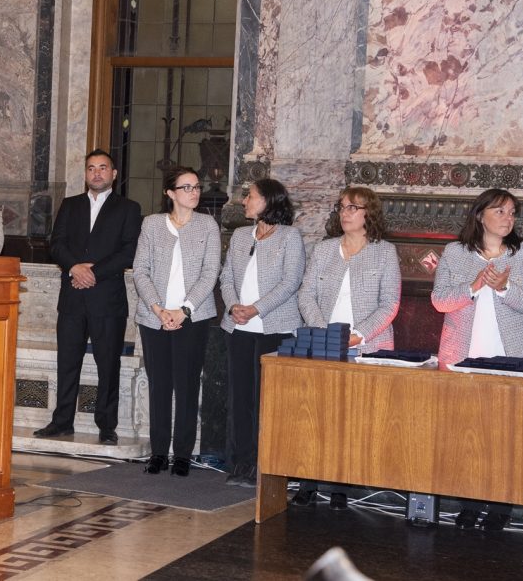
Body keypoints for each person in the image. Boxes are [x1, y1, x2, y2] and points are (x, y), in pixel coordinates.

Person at [431, 188, 523, 532]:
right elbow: (439, 301)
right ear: (480, 215)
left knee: (507, 436)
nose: (508, 219)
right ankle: (469, 504)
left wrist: (504, 288)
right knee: (467, 434)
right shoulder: (455, 253)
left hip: (515, 359)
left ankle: (501, 507)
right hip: (464, 357)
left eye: (512, 213)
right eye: (500, 211)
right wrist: (472, 286)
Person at [294, 186, 401, 507]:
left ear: (370, 213)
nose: (345, 213)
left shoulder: (384, 252)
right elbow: (306, 294)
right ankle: (308, 483)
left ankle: (340, 488)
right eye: (342, 207)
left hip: (366, 347)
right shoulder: (325, 249)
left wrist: (358, 335)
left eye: (353, 207)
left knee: (352, 419)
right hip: (324, 345)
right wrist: (323, 332)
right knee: (316, 417)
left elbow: (390, 303)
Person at [34, 149, 141, 445]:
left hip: (107, 299)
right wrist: (75, 267)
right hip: (72, 297)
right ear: (85, 174)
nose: (97, 173)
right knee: (68, 362)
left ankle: (106, 425)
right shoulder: (70, 205)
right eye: (91, 168)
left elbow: (129, 251)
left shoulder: (128, 208)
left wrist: (93, 272)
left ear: (114, 174)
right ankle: (62, 422)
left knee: (108, 364)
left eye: (103, 167)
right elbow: (56, 244)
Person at [133, 166, 221, 477]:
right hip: (154, 317)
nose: (194, 192)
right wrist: (158, 309)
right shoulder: (152, 224)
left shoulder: (207, 225)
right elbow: (140, 270)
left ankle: (182, 454)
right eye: (187, 187)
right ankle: (158, 452)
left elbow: (210, 273)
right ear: (170, 193)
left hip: (192, 318)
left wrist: (184, 310)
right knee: (159, 386)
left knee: (186, 385)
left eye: (196, 187)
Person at [219, 179, 305, 486]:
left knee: (266, 401)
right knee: (240, 399)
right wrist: (234, 306)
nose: (245, 201)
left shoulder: (290, 237)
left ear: (268, 200)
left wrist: (255, 308)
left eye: (250, 196)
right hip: (239, 327)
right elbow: (226, 277)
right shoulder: (241, 235)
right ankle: (240, 463)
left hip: (275, 328)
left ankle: (263, 465)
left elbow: (290, 282)